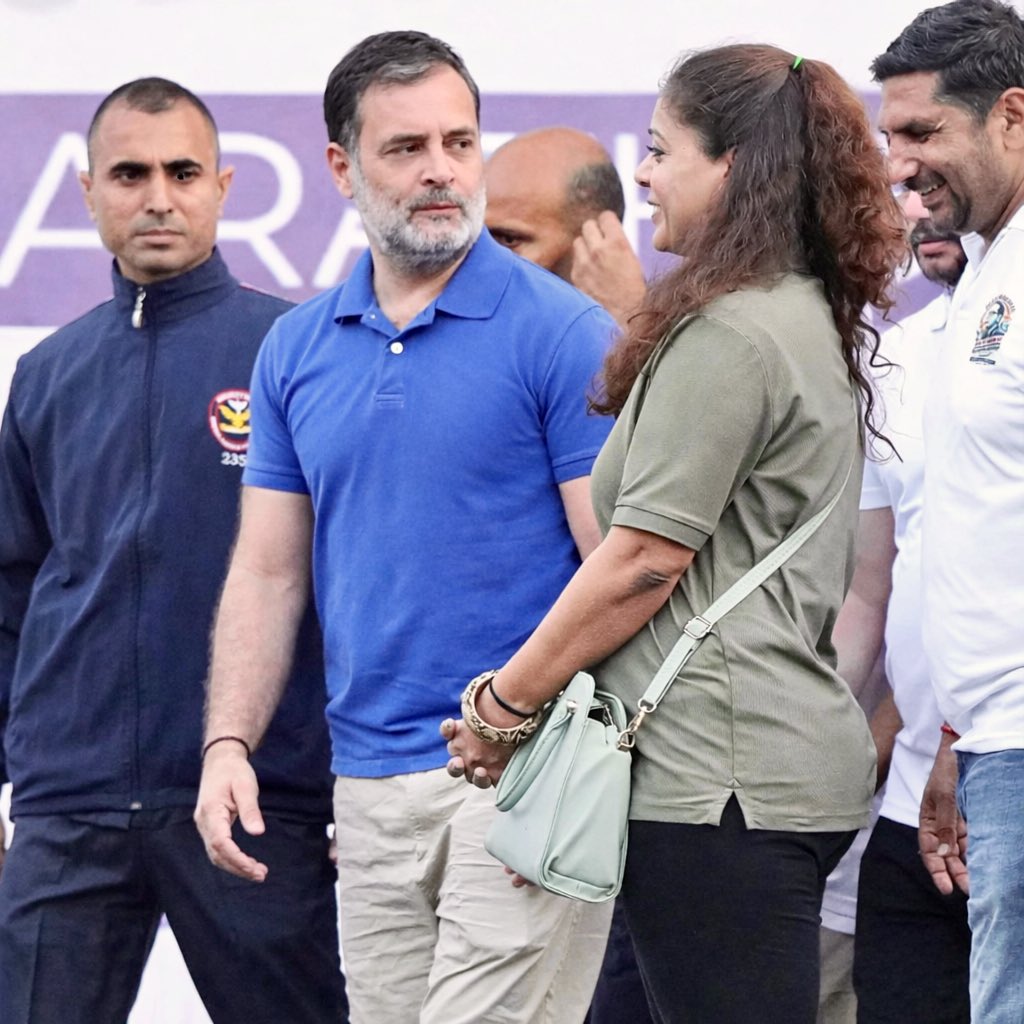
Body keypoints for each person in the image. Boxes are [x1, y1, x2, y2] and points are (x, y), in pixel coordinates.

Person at [447, 43, 905, 1024]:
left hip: (718, 788)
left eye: (659, 150)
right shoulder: (785, 315)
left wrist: (502, 706)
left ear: (732, 165)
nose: (641, 174)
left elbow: (641, 561)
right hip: (741, 777)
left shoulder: (734, 332)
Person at [193, 31, 614, 1024]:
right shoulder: (295, 348)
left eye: (459, 143)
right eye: (406, 147)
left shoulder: (560, 332)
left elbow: (619, 565)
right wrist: (226, 742)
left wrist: (522, 721)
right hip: (365, 783)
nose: (440, 171)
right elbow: (265, 571)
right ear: (340, 167)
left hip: (520, 775)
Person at [0, 78, 347, 1023]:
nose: (158, 195)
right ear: (86, 193)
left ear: (224, 186)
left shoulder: (295, 348)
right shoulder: (45, 374)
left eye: (183, 171)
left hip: (253, 795)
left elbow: (348, 577)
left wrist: (341, 770)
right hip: (69, 805)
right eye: (130, 173)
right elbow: (16, 590)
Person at [872, 2, 1024, 1020]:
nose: (898, 167)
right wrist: (952, 741)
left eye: (922, 133)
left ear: (1012, 115)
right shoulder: (979, 274)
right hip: (988, 748)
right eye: (890, 138)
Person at [483, 128, 652, 1024]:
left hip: (614, 782)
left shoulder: (663, 361)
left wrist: (633, 321)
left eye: (511, 240)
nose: (486, 262)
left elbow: (637, 573)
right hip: (504, 774)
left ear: (598, 241)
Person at [830, 189, 971, 1023]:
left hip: (1002, 779)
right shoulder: (891, 361)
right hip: (908, 812)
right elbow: (867, 592)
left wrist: (970, 735)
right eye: (903, 183)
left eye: (934, 165)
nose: (921, 207)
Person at [485, 127, 647, 325]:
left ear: (596, 246)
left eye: (508, 240)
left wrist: (629, 316)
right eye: (474, 238)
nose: (478, 257)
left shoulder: (685, 338)